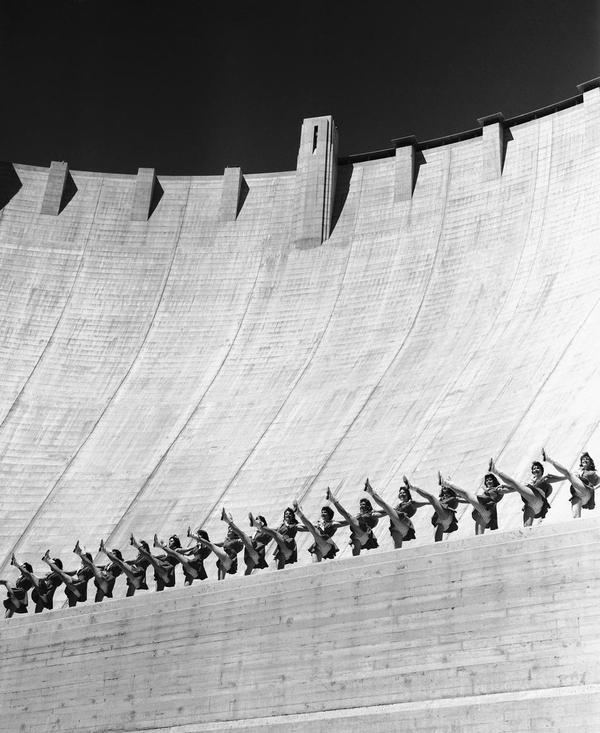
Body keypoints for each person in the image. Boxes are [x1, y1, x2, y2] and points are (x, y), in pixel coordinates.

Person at [488, 458, 564, 526]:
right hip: (532, 506)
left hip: (537, 499)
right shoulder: (529, 483)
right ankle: (497, 490)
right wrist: (504, 487)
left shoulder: (543, 479)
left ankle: (495, 470)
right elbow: (517, 488)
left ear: (541, 471)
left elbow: (552, 479)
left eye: (538, 468)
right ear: (532, 471)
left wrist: (567, 476)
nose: (536, 469)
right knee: (526, 527)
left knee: (515, 484)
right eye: (534, 468)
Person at [437, 472, 506, 535]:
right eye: (487, 480)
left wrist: (513, 487)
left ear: (494, 481)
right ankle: (447, 484)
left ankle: (447, 483)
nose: (488, 481)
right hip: (484, 514)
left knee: (466, 494)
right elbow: (473, 499)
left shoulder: (497, 489)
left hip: (487, 510)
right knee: (478, 534)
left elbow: (504, 491)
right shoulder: (488, 491)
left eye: (490, 480)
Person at [363, 478, 424, 548]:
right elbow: (389, 511)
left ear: (408, 494)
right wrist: (376, 511)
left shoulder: (411, 503)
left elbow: (423, 503)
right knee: (397, 546)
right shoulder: (398, 506)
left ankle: (370, 491)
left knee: (385, 505)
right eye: (400, 493)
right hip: (395, 526)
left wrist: (432, 502)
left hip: (404, 522)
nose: (402, 494)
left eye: (404, 492)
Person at [542, 449, 599, 518]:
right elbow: (567, 476)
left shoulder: (592, 472)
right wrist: (553, 478)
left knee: (569, 473)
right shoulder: (577, 471)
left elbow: (568, 474)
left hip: (587, 491)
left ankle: (548, 459)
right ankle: (576, 521)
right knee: (575, 514)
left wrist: (594, 488)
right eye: (583, 459)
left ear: (590, 462)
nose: (585, 460)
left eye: (587, 459)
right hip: (579, 496)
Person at [402, 475, 458, 542]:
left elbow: (463, 496)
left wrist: (469, 500)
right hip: (440, 521)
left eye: (445, 486)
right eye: (443, 486)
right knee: (437, 542)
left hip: (446, 516)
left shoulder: (454, 497)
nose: (443, 487)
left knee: (431, 497)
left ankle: (412, 487)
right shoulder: (442, 499)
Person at [325, 488, 379, 556]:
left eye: (363, 504)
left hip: (364, 533)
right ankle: (333, 500)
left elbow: (383, 512)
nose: (361, 506)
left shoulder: (371, 514)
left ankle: (333, 500)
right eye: (360, 504)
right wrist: (333, 524)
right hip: (357, 537)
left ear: (368, 506)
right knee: (355, 556)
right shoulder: (358, 515)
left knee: (346, 515)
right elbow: (348, 521)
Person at [220, 509, 269, 574]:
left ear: (261, 522)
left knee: (242, 534)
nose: (255, 519)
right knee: (249, 568)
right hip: (252, 551)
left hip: (258, 551)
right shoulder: (256, 533)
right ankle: (228, 520)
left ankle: (228, 520)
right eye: (255, 519)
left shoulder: (266, 532)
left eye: (257, 519)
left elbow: (274, 534)